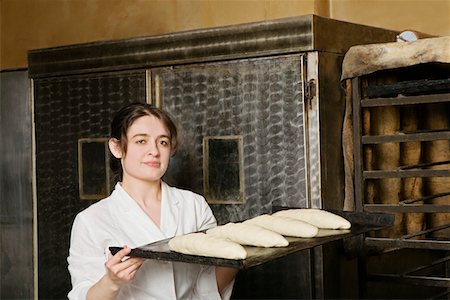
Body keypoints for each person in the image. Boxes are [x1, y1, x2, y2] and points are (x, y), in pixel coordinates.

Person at [67, 102, 238, 300]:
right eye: (141, 141)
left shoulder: (194, 206)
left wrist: (235, 258)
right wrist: (111, 282)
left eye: (163, 142)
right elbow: (83, 295)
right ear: (117, 147)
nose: (154, 151)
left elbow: (206, 289)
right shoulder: (91, 220)